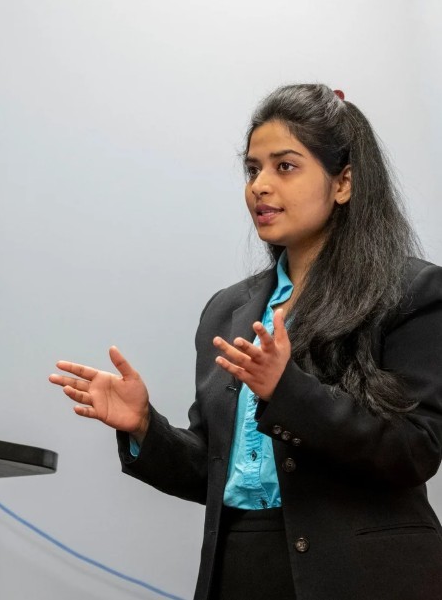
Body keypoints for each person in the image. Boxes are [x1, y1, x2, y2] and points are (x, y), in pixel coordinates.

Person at [49, 84, 442, 600]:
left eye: (285, 166)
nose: (259, 186)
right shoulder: (226, 309)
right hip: (240, 567)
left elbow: (415, 451)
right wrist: (146, 427)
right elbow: (213, 471)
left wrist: (288, 391)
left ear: (343, 182)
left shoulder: (410, 292)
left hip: (364, 575)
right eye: (252, 170)